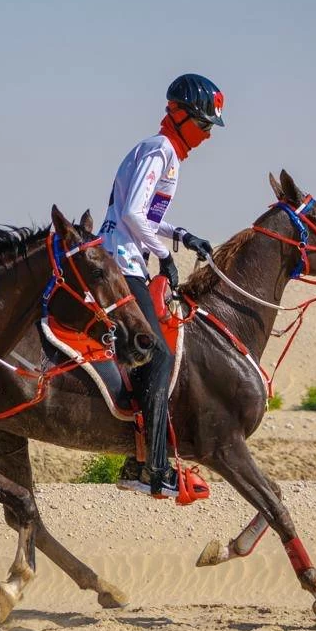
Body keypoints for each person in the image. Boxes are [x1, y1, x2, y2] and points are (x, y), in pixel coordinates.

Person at [99, 73, 224, 497]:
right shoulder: (161, 151)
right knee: (159, 356)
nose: (207, 136)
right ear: (183, 117)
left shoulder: (163, 152)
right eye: (205, 125)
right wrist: (167, 255)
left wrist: (182, 237)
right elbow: (134, 215)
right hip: (122, 261)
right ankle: (150, 469)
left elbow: (146, 220)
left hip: (129, 256)